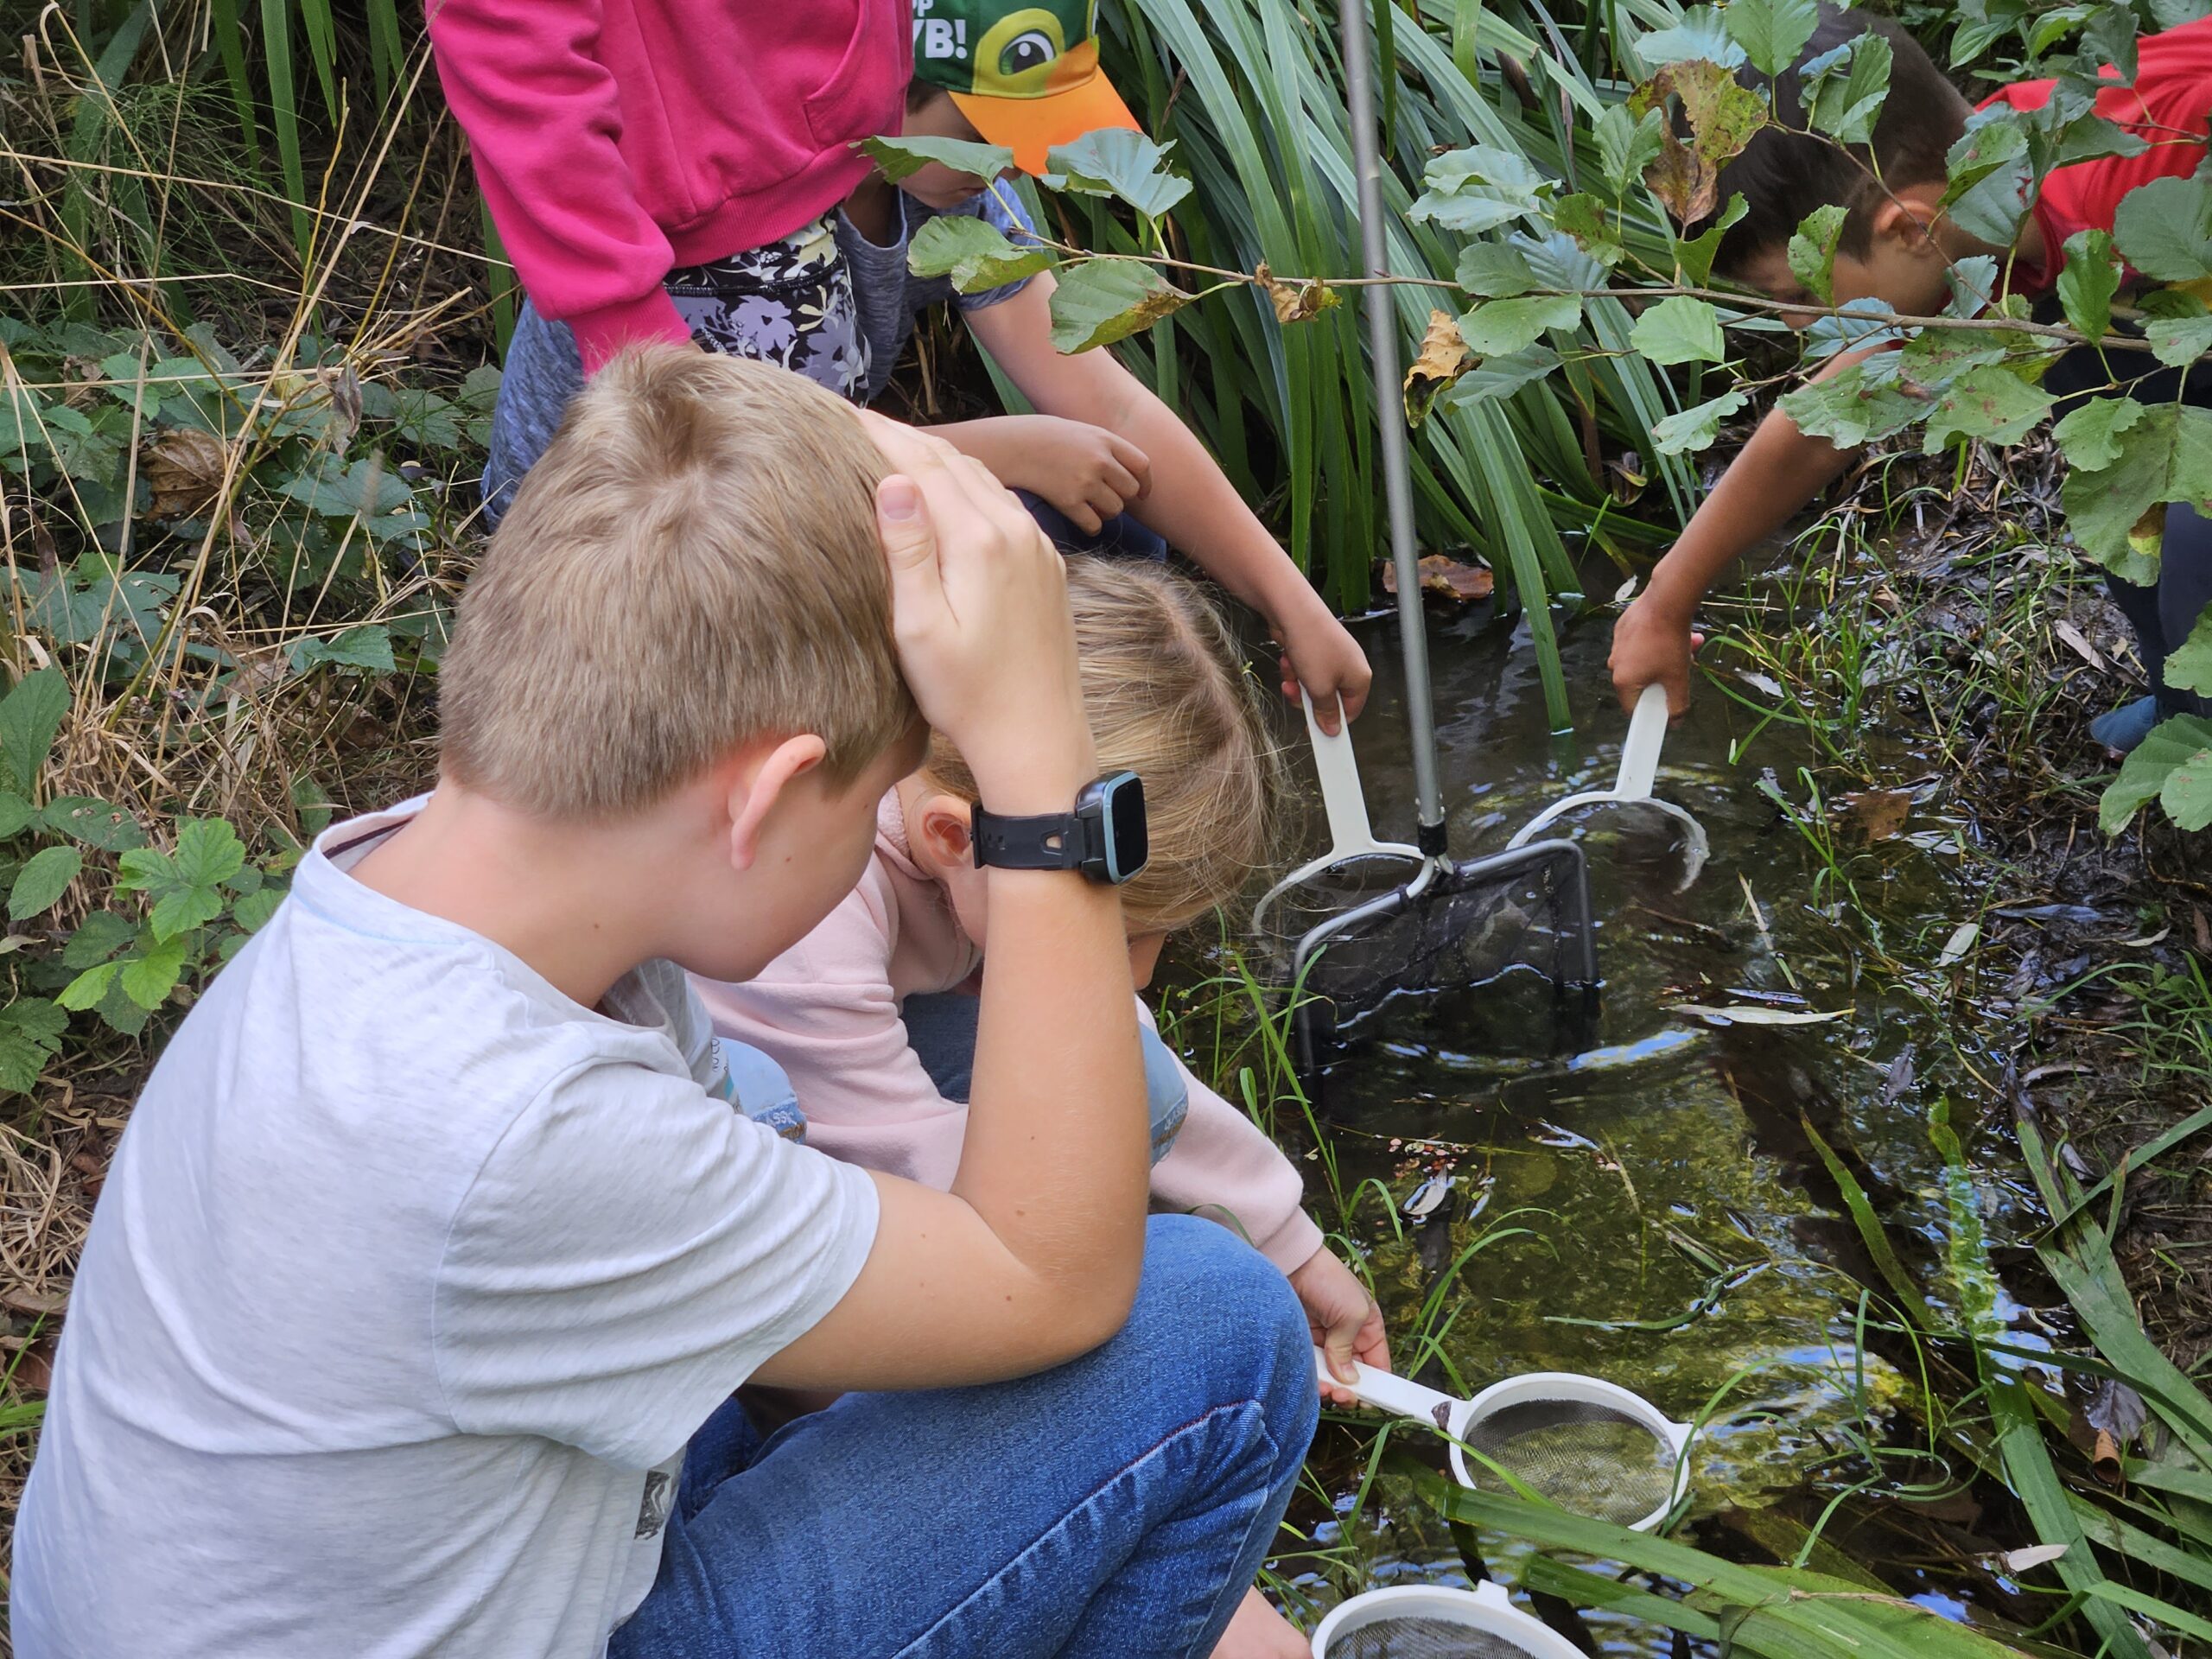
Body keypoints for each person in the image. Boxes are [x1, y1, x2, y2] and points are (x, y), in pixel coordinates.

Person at [10, 349, 1319, 1659]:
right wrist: (1043, 776)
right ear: (766, 799)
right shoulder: (517, 1131)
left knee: (753, 1107)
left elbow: (673, 409)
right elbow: (1058, 1282)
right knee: (1211, 1331)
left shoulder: (421, 908)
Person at [698, 555, 1388, 1656]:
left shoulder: (972, 838)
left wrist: (1287, 1239)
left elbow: (1123, 1050)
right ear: (951, 842)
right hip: (761, 1243)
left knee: (1094, 1055)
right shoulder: (799, 929)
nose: (1148, 973)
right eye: (1128, 934)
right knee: (1190, 1314)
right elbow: (948, 1239)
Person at [464, 0, 1373, 733]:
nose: (1006, 162)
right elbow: (732, 469)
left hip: (809, 468)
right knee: (1017, 523)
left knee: (1109, 532)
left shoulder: (956, 179)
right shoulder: (752, 248)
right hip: (635, 545)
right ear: (890, 92)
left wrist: (1288, 600)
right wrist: (993, 449)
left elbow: (1106, 405)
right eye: (983, 128)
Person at [1608, 6, 2212, 751]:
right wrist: (1666, 599)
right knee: (2123, 478)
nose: (1797, 326)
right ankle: (2183, 702)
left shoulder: (2152, 155)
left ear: (1910, 229)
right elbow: (1822, 422)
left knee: (2197, 534)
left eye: (1798, 295)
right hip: (2176, 340)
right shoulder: (1963, 214)